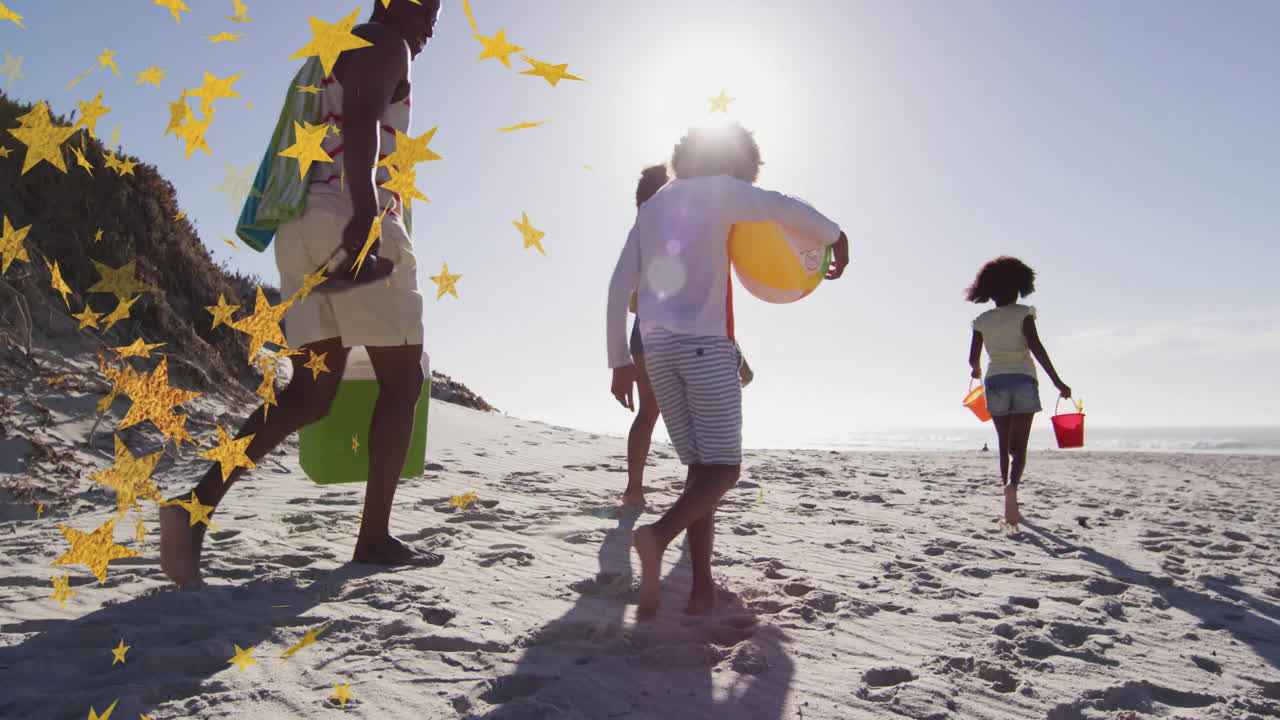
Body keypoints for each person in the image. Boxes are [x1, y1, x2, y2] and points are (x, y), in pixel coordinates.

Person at [160, 0, 444, 588]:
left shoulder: (339, 47)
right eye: (422, 9)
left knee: (310, 394)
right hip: (349, 215)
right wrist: (365, 213)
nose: (429, 26)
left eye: (436, 15)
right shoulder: (383, 42)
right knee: (402, 381)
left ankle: (193, 507)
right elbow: (362, 121)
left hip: (301, 226)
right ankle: (374, 539)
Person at [607, 122, 850, 619]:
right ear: (737, 163)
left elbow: (617, 284)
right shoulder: (722, 190)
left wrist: (619, 361)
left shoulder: (654, 206)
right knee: (725, 470)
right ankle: (657, 536)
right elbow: (785, 207)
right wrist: (838, 238)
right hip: (705, 347)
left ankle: (702, 587)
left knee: (700, 471)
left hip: (656, 350)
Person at [966, 256, 1071, 530]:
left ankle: (1006, 498)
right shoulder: (1024, 313)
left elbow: (973, 360)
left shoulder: (982, 321)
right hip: (1023, 379)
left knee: (1003, 444)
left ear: (989, 290)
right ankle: (1014, 486)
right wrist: (1058, 382)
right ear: (1019, 287)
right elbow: (1036, 347)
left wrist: (977, 370)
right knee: (1019, 448)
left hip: (995, 381)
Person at [620, 165, 672, 506]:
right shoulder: (672, 226)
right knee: (695, 412)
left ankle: (633, 489)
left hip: (642, 330)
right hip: (671, 329)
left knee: (648, 411)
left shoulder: (640, 231)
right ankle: (699, 492)